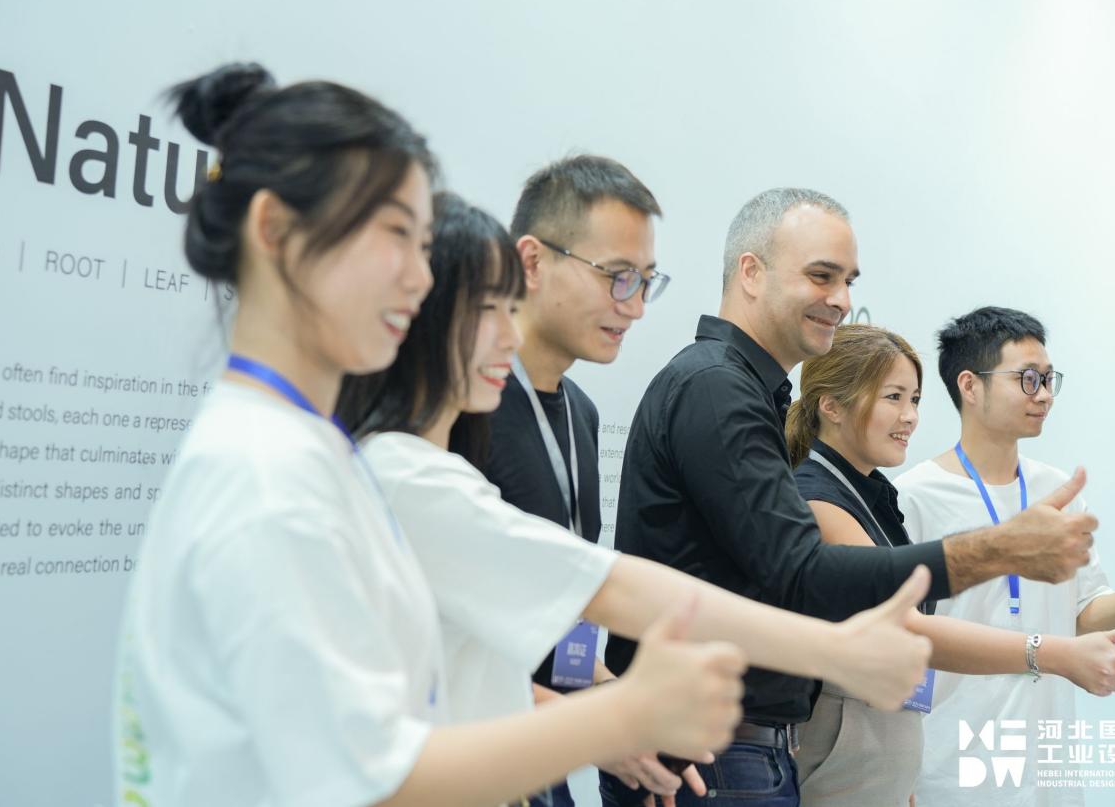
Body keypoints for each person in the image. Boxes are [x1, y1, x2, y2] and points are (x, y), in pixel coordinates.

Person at [113, 63, 751, 807]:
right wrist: (620, 715)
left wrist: (603, 706)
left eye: (421, 245)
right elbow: (376, 778)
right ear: (274, 231)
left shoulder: (305, 457)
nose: (418, 281)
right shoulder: (272, 475)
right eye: (394, 236)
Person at [336, 191, 936, 806]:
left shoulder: (557, 421)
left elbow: (538, 635)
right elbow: (614, 589)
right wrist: (617, 717)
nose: (508, 334)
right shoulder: (402, 476)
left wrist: (605, 713)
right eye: (488, 309)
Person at [605, 188, 1102, 807]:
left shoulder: (751, 397)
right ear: (751, 272)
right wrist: (999, 554)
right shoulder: (717, 388)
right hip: (717, 753)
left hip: (741, 749)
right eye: (822, 276)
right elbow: (807, 576)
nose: (841, 299)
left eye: (848, 281)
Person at [786, 323, 1115, 807]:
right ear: (831, 405)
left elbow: (1083, 607)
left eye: (914, 399)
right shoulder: (828, 496)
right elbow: (905, 627)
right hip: (865, 758)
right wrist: (1053, 653)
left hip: (890, 759)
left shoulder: (873, 494)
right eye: (893, 397)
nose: (910, 416)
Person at [895, 306, 1115, 807]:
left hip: (1048, 776)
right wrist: (898, 773)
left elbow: (1079, 616)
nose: (1044, 395)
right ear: (970, 386)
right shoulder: (915, 496)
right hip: (949, 770)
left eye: (1049, 379)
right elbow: (902, 640)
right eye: (1028, 379)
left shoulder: (1056, 489)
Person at [481, 155, 691, 805]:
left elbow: (557, 617)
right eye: (616, 276)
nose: (634, 306)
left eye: (646, 282)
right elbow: (426, 651)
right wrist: (593, 727)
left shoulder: (582, 413)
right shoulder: (459, 406)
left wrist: (619, 705)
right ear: (532, 261)